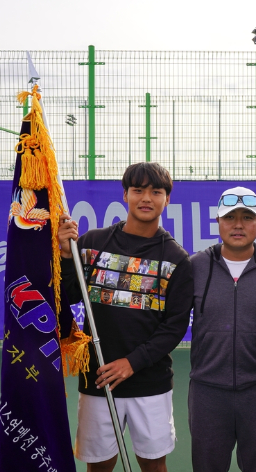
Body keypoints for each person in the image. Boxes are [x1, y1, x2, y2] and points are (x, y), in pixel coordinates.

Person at [58, 162, 193, 472]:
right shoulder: (93, 243)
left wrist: (132, 363)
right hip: (98, 377)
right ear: (125, 195)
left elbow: (175, 326)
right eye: (138, 190)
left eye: (156, 191)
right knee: (100, 465)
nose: (146, 198)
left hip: (151, 382)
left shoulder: (176, 258)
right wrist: (67, 256)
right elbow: (69, 297)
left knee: (152, 464)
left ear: (167, 199)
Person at [188, 186, 256, 472]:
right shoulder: (195, 266)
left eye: (247, 217)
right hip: (207, 394)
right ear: (218, 222)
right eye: (230, 217)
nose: (238, 225)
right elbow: (170, 324)